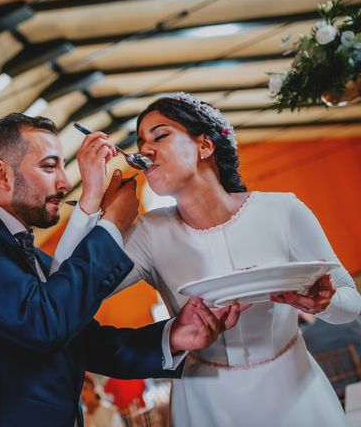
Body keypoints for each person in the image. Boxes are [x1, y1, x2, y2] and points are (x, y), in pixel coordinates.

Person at [54, 93, 361, 427]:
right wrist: (91, 203)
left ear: (205, 146)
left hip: (295, 394)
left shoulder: (283, 211)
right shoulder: (149, 234)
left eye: (160, 135)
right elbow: (65, 294)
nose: (144, 150)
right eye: (141, 144)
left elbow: (351, 303)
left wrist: (324, 304)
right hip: (203, 406)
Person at [0, 113, 243, 426]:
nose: (64, 181)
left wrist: (172, 336)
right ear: (2, 174)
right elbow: (43, 322)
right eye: (49, 167)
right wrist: (112, 224)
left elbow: (84, 342)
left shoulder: (39, 261)